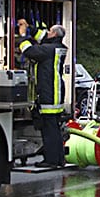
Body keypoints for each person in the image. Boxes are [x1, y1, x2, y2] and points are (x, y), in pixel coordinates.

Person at [22, 24, 69, 167]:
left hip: (49, 95)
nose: (46, 32)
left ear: (54, 34)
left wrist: (24, 36)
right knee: (54, 129)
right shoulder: (57, 48)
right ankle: (59, 159)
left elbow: (28, 50)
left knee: (49, 131)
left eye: (49, 31)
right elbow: (43, 37)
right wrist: (30, 27)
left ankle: (51, 160)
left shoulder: (48, 50)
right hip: (55, 93)